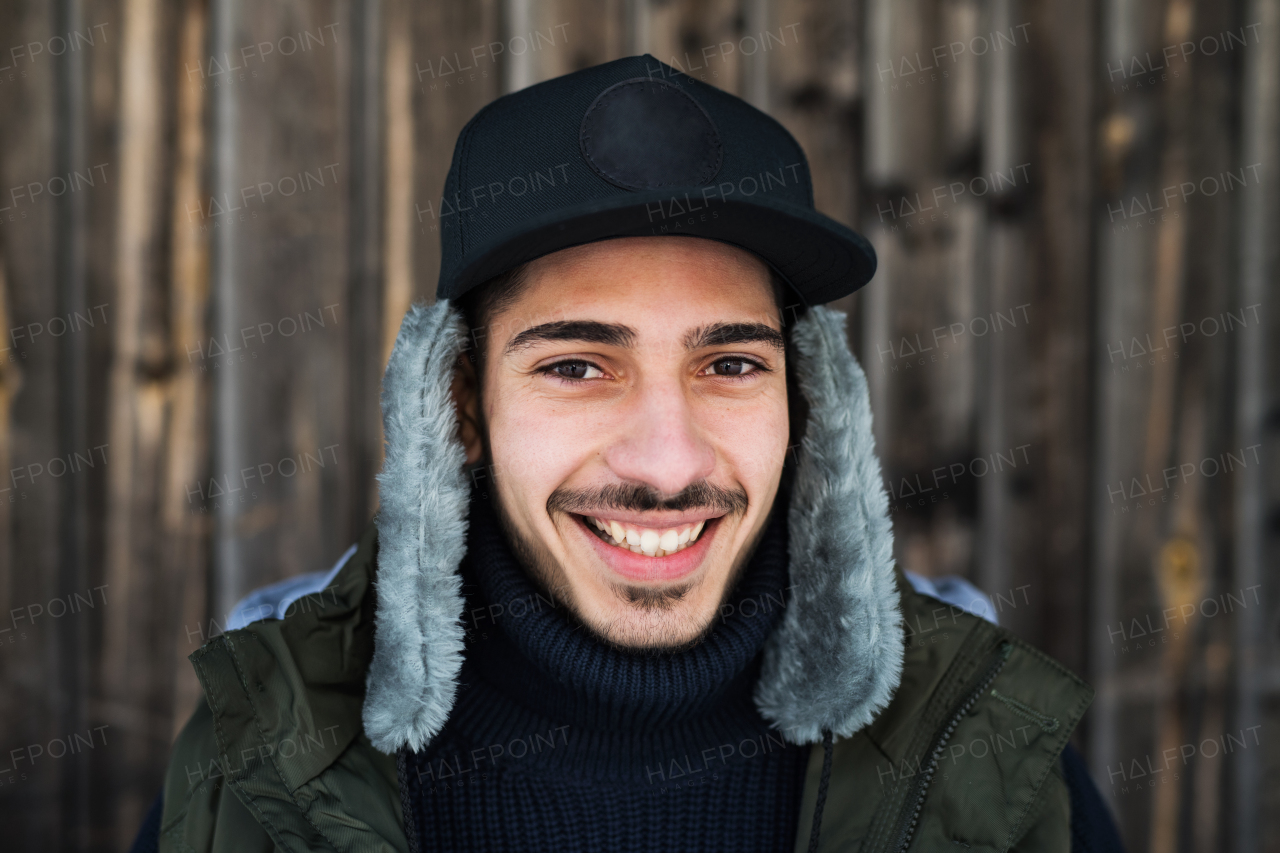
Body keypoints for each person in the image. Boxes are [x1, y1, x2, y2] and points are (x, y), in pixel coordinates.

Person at [135, 54, 1124, 853]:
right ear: (460, 405)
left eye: (730, 363)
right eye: (576, 365)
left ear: (807, 401)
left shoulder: (982, 750)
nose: (663, 463)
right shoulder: (261, 762)